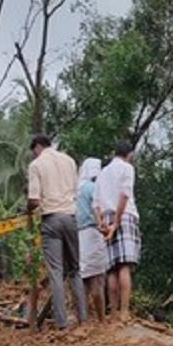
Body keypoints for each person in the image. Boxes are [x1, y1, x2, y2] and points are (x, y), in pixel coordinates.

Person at [27, 135, 86, 330]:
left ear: (37, 147)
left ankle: (61, 322)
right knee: (75, 270)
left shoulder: (36, 165)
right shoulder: (69, 161)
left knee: (56, 271)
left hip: (51, 219)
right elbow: (75, 190)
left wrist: (27, 209)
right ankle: (82, 318)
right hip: (70, 217)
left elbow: (34, 200)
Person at [96, 140, 140, 320]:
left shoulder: (102, 173)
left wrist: (102, 223)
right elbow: (124, 194)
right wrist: (117, 221)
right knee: (124, 265)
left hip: (106, 217)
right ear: (129, 154)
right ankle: (124, 311)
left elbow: (95, 204)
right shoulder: (127, 168)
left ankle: (113, 312)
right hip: (124, 215)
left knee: (112, 267)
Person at [75, 157, 108, 322]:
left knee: (83, 278)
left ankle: (83, 319)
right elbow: (99, 210)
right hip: (93, 233)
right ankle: (102, 320)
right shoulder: (94, 188)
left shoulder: (77, 190)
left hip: (79, 236)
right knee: (97, 279)